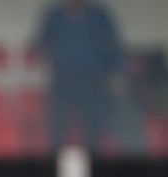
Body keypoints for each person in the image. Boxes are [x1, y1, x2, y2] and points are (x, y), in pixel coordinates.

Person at [31, 0, 126, 154]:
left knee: (93, 126)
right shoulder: (54, 15)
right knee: (57, 127)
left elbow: (113, 45)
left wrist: (116, 73)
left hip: (93, 79)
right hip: (62, 79)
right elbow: (41, 43)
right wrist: (46, 54)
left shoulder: (100, 15)